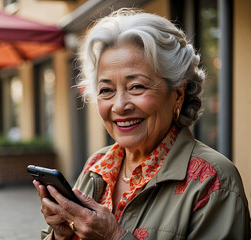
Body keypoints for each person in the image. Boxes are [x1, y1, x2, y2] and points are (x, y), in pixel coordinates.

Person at [33, 8, 250, 240]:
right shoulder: (97, 165)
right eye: (106, 90)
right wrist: (60, 234)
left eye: (136, 86)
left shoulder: (213, 180)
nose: (119, 106)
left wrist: (114, 236)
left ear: (178, 93)